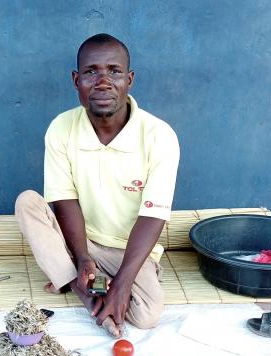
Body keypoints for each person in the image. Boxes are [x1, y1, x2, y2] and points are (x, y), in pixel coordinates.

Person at [15, 33, 180, 337]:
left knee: (147, 315)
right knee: (27, 202)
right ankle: (84, 290)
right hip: (79, 242)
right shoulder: (61, 128)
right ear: (76, 80)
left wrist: (123, 283)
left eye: (114, 71)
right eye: (91, 72)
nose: (103, 82)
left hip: (128, 250)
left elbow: (153, 215)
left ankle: (70, 277)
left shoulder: (159, 135)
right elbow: (64, 201)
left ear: (129, 79)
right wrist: (82, 259)